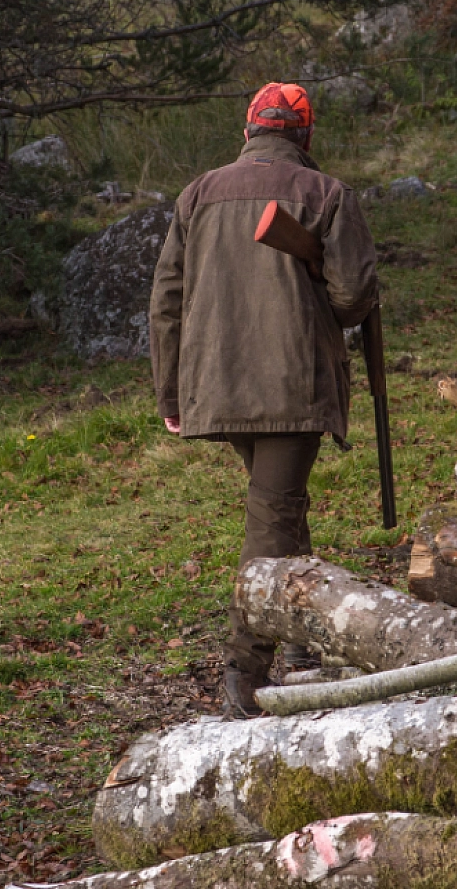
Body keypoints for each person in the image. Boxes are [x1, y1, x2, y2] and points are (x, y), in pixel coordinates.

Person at [149, 83, 380, 717]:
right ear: (305, 134)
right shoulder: (328, 193)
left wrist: (172, 392)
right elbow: (353, 299)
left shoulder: (198, 192)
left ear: (248, 129)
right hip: (290, 383)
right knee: (272, 521)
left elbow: (167, 297)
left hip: (216, 384)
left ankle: (300, 640)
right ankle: (242, 672)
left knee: (278, 505)